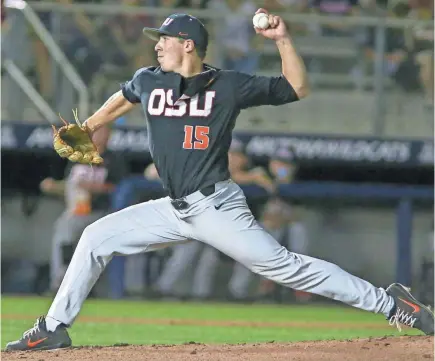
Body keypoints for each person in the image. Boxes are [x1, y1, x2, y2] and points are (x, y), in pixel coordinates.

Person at [6, 9, 433, 352]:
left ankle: (392, 302)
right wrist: (93, 123)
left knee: (287, 268)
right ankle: (54, 327)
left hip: (216, 207)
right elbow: (126, 95)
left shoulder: (227, 85)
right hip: (172, 208)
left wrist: (282, 40)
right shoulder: (149, 79)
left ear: (187, 45)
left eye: (165, 40)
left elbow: (297, 87)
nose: (157, 45)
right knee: (95, 238)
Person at [39, 126, 126, 293]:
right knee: (63, 232)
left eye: (104, 132)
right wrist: (53, 186)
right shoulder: (78, 156)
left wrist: (94, 187)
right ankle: (59, 282)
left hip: (101, 212)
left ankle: (85, 286)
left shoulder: (114, 159)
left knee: (90, 245)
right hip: (77, 211)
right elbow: (71, 185)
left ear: (109, 135)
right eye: (97, 132)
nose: (100, 135)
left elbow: (119, 188)